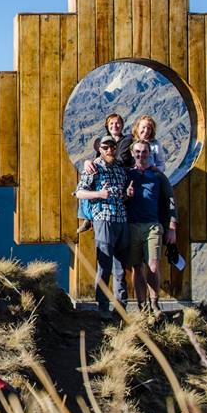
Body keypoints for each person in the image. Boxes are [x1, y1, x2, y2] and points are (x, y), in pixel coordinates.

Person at [74, 135, 131, 319]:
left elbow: (121, 195)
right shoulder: (93, 168)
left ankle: (121, 307)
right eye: (105, 148)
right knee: (104, 265)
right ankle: (103, 307)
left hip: (121, 219)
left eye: (112, 147)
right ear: (100, 149)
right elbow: (79, 192)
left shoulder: (120, 170)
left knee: (121, 267)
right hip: (103, 219)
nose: (109, 150)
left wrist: (127, 194)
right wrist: (99, 194)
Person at [125, 140, 178, 321]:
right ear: (132, 153)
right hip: (132, 226)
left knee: (153, 265)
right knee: (137, 267)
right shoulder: (127, 174)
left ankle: (155, 303)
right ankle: (142, 306)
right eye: (138, 152)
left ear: (150, 153)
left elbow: (170, 200)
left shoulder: (158, 176)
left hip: (153, 226)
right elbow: (118, 198)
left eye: (144, 151)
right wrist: (126, 195)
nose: (141, 155)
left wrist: (172, 226)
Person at [76, 113, 133, 234]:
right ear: (107, 126)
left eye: (117, 123)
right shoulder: (104, 141)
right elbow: (98, 160)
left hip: (122, 171)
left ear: (122, 125)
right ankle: (87, 217)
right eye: (111, 123)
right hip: (107, 173)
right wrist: (87, 162)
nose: (115, 126)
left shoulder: (128, 140)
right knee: (88, 182)